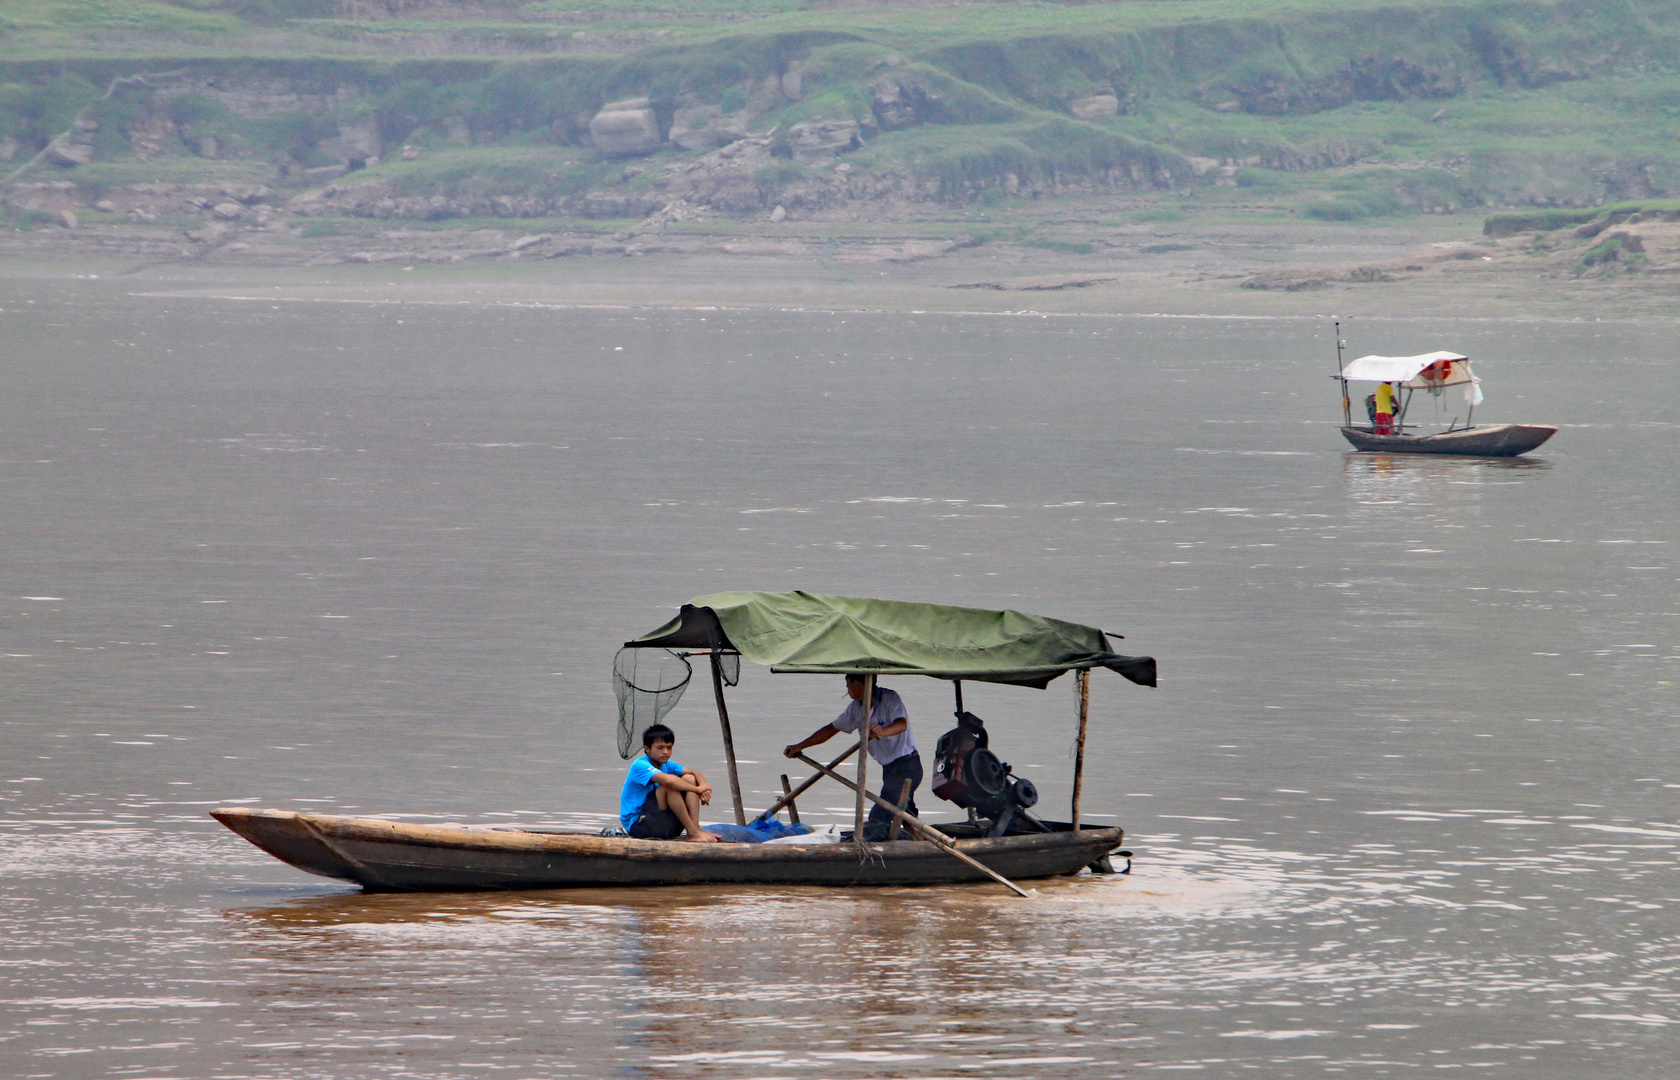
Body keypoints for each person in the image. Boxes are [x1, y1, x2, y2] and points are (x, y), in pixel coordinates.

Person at [784, 674, 921, 840]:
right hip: (889, 769)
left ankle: (878, 848)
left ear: (860, 684)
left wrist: (882, 731)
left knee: (879, 816)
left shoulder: (889, 698)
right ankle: (919, 843)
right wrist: (800, 746)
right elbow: (830, 730)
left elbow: (901, 724)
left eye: (848, 684)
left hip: (907, 766)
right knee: (907, 816)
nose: (847, 689)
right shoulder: (856, 708)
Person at [620, 723, 718, 842]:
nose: (665, 752)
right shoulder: (640, 765)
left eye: (669, 747)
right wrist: (697, 790)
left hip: (663, 823)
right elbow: (668, 781)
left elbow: (693, 773)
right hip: (640, 825)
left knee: (689, 778)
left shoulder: (666, 764)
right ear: (647, 749)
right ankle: (693, 832)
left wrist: (704, 786)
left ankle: (695, 830)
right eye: (660, 748)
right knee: (668, 787)